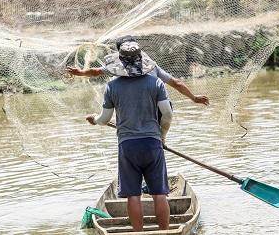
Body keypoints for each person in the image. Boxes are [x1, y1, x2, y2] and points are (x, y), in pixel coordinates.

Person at [86, 40, 173, 231]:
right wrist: (161, 135)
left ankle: (138, 233)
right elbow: (167, 114)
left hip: (127, 146)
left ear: (121, 63)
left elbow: (104, 118)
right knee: (159, 193)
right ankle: (165, 232)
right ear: (141, 60)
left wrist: (94, 119)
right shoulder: (156, 82)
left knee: (133, 195)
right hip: (152, 144)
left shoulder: (112, 86)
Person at [67, 36, 209, 106]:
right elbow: (176, 83)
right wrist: (194, 98)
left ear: (119, 54)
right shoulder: (152, 67)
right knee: (166, 107)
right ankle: (163, 138)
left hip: (128, 121)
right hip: (153, 112)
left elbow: (95, 72)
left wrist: (80, 73)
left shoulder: (114, 73)